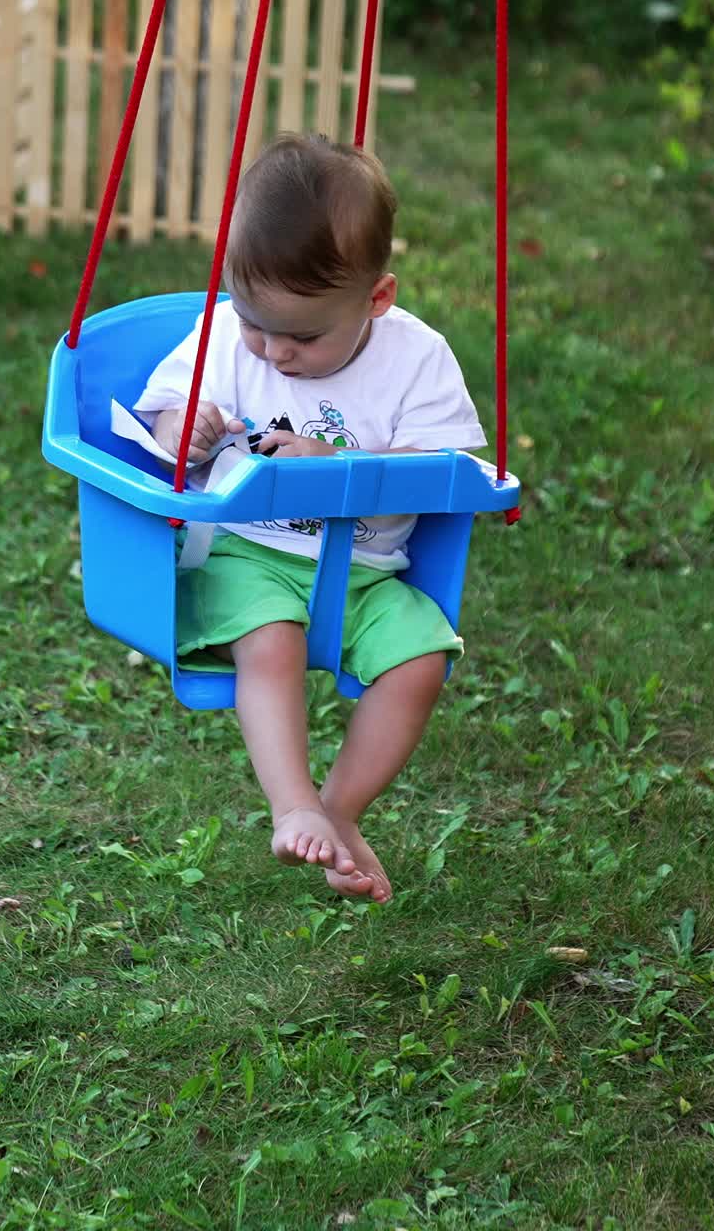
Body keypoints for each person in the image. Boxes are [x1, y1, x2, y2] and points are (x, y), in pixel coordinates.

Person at [133, 133, 485, 903]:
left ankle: (342, 810)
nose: (275, 352)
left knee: (422, 659)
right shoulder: (227, 337)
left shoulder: (417, 360)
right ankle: (292, 803)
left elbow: (445, 473)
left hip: (366, 571)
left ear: (377, 300)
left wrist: (336, 470)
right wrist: (180, 430)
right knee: (270, 643)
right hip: (246, 557)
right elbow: (159, 420)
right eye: (259, 323)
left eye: (303, 335)